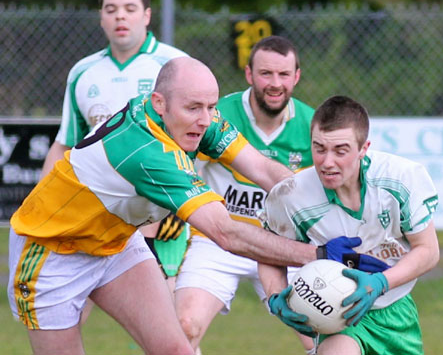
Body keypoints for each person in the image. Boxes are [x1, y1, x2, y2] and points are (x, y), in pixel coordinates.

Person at [8, 57, 383, 355]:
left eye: (210, 106)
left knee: (177, 349)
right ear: (159, 103)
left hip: (116, 242)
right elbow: (225, 231)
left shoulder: (189, 115)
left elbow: (264, 170)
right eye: (194, 108)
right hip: (52, 252)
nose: (205, 120)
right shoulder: (149, 152)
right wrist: (317, 253)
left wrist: (331, 206)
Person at [40, 0, 188, 311]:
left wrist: (185, 204)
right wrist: (43, 202)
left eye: (129, 8)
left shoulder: (175, 65)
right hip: (93, 213)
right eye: (111, 9)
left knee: (175, 327)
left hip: (157, 216)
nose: (120, 16)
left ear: (147, 15)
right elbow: (66, 145)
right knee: (66, 314)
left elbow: (198, 144)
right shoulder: (83, 71)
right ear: (101, 17)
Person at [258, 95, 440, 355]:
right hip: (337, 314)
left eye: (340, 151)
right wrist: (276, 298)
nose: (327, 161)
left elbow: (428, 250)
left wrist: (379, 283)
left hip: (395, 308)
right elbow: (267, 251)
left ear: (363, 148)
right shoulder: (290, 196)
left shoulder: (400, 178)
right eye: (319, 148)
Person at [175, 35, 316, 354]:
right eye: (266, 73)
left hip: (284, 243)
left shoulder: (311, 125)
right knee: (184, 328)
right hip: (216, 237)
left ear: (296, 76)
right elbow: (183, 170)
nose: (275, 83)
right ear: (249, 74)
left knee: (323, 333)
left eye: (283, 74)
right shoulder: (215, 114)